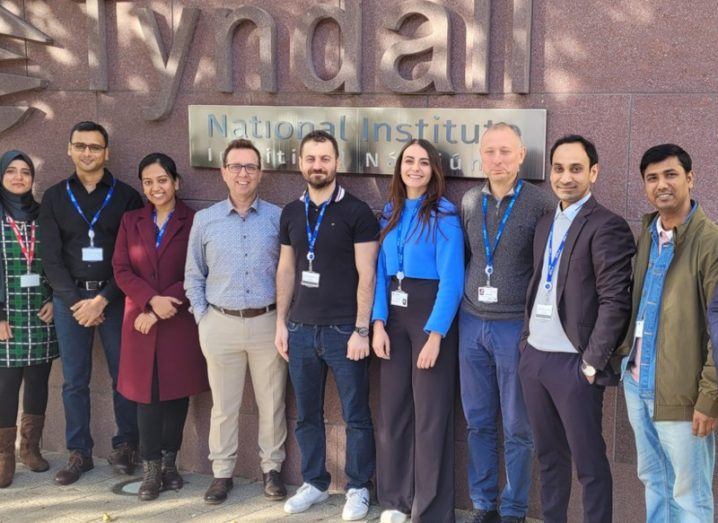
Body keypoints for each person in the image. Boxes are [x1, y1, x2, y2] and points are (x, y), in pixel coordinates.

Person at [518, 135, 635, 523]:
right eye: (558, 168)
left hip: (575, 365)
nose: (565, 177)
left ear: (594, 172)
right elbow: (539, 283)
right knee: (549, 457)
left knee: (588, 462)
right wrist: (526, 345)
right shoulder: (545, 223)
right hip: (536, 359)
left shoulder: (608, 226)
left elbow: (615, 300)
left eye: (576, 168)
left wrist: (591, 362)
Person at [276, 130, 379, 520]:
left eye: (324, 158)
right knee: (306, 414)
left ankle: (357, 487)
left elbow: (366, 274)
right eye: (310, 158)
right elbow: (286, 270)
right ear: (300, 163)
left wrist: (361, 329)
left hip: (343, 332)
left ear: (337, 163)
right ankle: (315, 483)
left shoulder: (357, 212)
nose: (317, 165)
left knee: (356, 415)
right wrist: (281, 324)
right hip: (300, 329)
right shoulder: (290, 211)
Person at [615, 144, 718, 522]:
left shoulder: (711, 243)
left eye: (671, 175)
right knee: (654, 481)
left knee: (689, 495)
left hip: (684, 394)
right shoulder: (649, 234)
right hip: (638, 383)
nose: (662, 184)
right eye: (652, 178)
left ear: (690, 179)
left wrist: (710, 396)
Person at [38, 121, 143, 485]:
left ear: (106, 152)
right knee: (74, 381)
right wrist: (76, 302)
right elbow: (50, 259)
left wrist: (101, 300)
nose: (87, 153)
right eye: (80, 146)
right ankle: (79, 451)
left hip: (114, 298)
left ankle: (127, 446)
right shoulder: (53, 197)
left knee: (123, 377)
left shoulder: (128, 196)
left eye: (95, 147)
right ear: (69, 149)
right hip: (70, 301)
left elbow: (134, 257)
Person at [458, 123, 554, 523]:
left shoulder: (540, 204)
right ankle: (483, 504)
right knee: (477, 421)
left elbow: (545, 271)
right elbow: (468, 256)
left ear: (521, 156)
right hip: (470, 323)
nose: (496, 159)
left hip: (514, 326)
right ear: (481, 156)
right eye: (490, 152)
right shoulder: (467, 201)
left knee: (517, 425)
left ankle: (513, 508)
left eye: (505, 152)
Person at [185, 139, 288, 505]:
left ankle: (271, 470)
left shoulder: (278, 217)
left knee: (271, 402)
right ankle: (222, 473)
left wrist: (283, 320)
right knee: (224, 405)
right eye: (236, 166)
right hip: (220, 323)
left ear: (260, 173)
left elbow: (288, 272)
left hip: (267, 321)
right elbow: (193, 276)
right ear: (223, 172)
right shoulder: (205, 219)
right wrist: (203, 320)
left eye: (250, 166)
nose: (243, 173)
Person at [371, 139, 464, 523]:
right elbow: (378, 273)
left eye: (423, 162)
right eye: (409, 161)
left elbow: (453, 280)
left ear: (433, 170)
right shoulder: (389, 213)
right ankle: (395, 500)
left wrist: (436, 335)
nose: (415, 168)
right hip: (392, 316)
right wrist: (377, 323)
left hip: (429, 317)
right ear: (399, 168)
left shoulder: (444, 216)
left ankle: (429, 509)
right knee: (392, 412)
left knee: (430, 417)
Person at [113, 153, 209, 501]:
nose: (156, 187)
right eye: (149, 182)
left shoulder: (194, 221)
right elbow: (122, 270)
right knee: (146, 397)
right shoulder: (131, 221)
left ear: (176, 182)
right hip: (139, 322)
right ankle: (151, 469)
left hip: (177, 320)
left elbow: (197, 271)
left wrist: (161, 305)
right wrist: (150, 302)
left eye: (163, 180)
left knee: (176, 395)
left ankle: (171, 464)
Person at [0, 150, 57, 488]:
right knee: (6, 386)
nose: (19, 177)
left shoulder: (42, 215)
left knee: (38, 382)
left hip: (40, 312)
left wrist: (53, 298)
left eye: (25, 172)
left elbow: (55, 259)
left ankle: (30, 449)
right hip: (7, 316)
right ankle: (4, 457)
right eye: (11, 171)